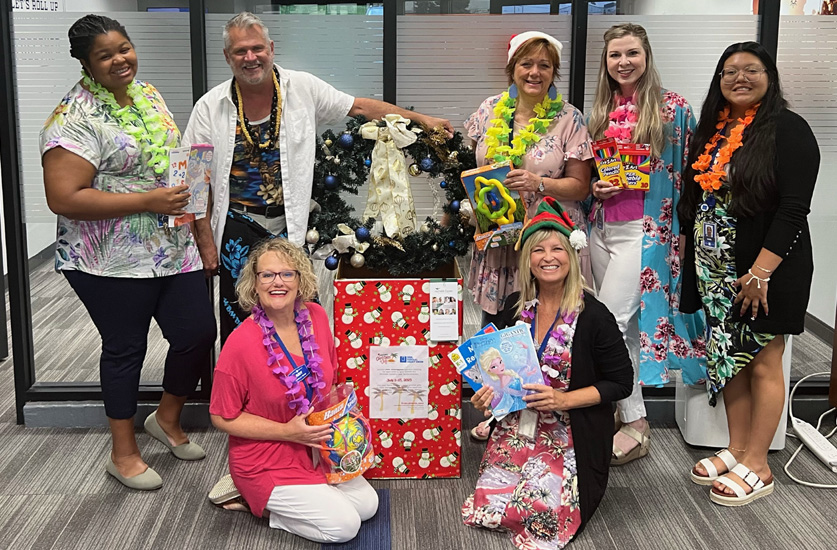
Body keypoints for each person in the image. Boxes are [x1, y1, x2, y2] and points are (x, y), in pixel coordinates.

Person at [183, 11, 453, 345]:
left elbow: (358, 108)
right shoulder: (209, 107)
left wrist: (422, 119)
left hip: (290, 224)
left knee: (299, 318)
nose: (250, 57)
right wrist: (205, 244)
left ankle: (303, 380)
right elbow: (195, 182)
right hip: (237, 226)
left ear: (271, 48)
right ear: (228, 56)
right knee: (241, 322)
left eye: (257, 48)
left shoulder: (302, 88)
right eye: (240, 51)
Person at [40, 14, 216, 490]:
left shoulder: (149, 95)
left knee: (197, 333)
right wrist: (145, 201)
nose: (120, 60)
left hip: (171, 246)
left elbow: (178, 165)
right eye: (105, 55)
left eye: (124, 48)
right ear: (85, 64)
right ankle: (123, 454)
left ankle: (166, 418)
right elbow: (63, 197)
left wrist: (202, 235)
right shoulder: (72, 119)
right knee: (126, 349)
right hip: (107, 259)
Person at [678, 42, 820, 506]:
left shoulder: (788, 129)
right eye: (729, 71)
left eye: (751, 70)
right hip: (715, 270)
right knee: (727, 358)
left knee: (762, 359)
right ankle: (737, 449)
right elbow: (696, 199)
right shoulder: (713, 129)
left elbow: (794, 209)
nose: (739, 78)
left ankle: (758, 463)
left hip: (763, 270)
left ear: (770, 76)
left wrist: (760, 273)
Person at [463, 197, 632, 549]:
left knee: (541, 515)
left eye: (557, 248)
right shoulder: (514, 307)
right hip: (519, 425)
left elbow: (621, 383)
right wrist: (488, 395)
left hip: (571, 431)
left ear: (572, 255)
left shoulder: (594, 316)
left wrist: (563, 399)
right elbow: (498, 372)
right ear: (527, 259)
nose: (548, 257)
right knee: (491, 507)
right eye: (538, 250)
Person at [587, 23, 705, 465]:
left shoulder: (673, 108)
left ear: (646, 55)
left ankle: (633, 420)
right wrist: (595, 188)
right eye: (615, 55)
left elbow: (692, 173)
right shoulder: (601, 108)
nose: (624, 62)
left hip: (646, 231)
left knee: (609, 325)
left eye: (632, 53)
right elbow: (594, 172)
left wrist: (686, 233)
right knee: (628, 330)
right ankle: (630, 416)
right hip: (603, 228)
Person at [209, 238, 378, 542]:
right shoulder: (239, 344)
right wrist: (288, 432)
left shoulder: (316, 316)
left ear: (300, 280)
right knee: (345, 527)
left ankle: (308, 495)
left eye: (287, 274)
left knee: (367, 506)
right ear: (254, 283)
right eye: (267, 275)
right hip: (265, 457)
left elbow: (329, 381)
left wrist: (345, 424)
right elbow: (222, 417)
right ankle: (256, 503)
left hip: (317, 446)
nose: (278, 282)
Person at [466, 31, 593, 332]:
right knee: (498, 329)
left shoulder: (570, 118)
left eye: (544, 65)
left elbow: (580, 187)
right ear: (512, 69)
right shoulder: (488, 110)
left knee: (552, 329)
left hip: (547, 239)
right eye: (526, 64)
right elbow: (475, 167)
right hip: (500, 239)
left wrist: (538, 183)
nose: (535, 72)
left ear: (553, 72)